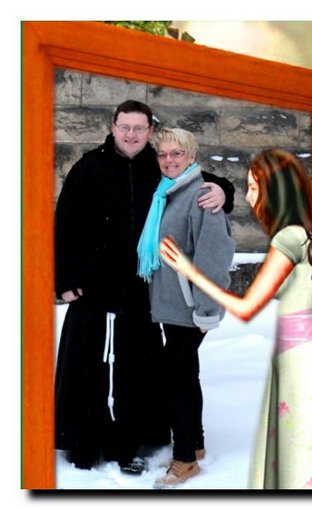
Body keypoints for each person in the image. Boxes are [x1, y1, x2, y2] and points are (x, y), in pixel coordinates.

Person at [160, 149, 312, 489]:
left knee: (303, 459)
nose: (247, 197)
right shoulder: (311, 231)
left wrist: (188, 270)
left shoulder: (289, 238)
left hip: (306, 363)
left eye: (253, 188)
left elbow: (247, 307)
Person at [54, 100, 235, 474]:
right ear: (113, 126)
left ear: (150, 130)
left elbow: (200, 180)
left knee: (137, 370)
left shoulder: (160, 164)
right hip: (95, 288)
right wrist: (66, 281)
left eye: (139, 128)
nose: (131, 134)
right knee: (89, 367)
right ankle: (86, 440)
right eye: (125, 126)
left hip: (143, 290)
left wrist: (223, 190)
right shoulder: (88, 167)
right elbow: (66, 225)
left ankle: (133, 440)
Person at [137, 127, 235, 489]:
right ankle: (195, 443)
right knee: (185, 374)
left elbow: (214, 257)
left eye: (177, 154)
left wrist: (206, 311)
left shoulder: (201, 196)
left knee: (174, 379)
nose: (169, 160)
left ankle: (184, 460)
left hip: (191, 307)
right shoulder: (167, 192)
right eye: (163, 154)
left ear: (192, 157)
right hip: (172, 305)